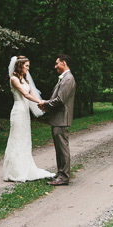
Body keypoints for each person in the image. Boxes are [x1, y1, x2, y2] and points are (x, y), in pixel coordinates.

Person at [3, 56, 55, 182]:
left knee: (25, 139)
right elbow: (25, 94)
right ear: (20, 65)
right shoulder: (14, 79)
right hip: (18, 112)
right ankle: (15, 171)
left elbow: (31, 92)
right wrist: (41, 102)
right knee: (17, 138)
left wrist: (41, 103)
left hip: (25, 113)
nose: (28, 68)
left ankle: (25, 167)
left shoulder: (25, 80)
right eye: (26, 66)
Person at [38, 54, 76, 186]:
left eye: (57, 63)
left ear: (63, 63)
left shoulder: (68, 79)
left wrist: (45, 103)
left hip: (62, 119)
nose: (55, 66)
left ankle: (64, 177)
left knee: (63, 148)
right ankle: (60, 173)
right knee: (59, 149)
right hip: (58, 118)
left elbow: (60, 100)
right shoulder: (64, 78)